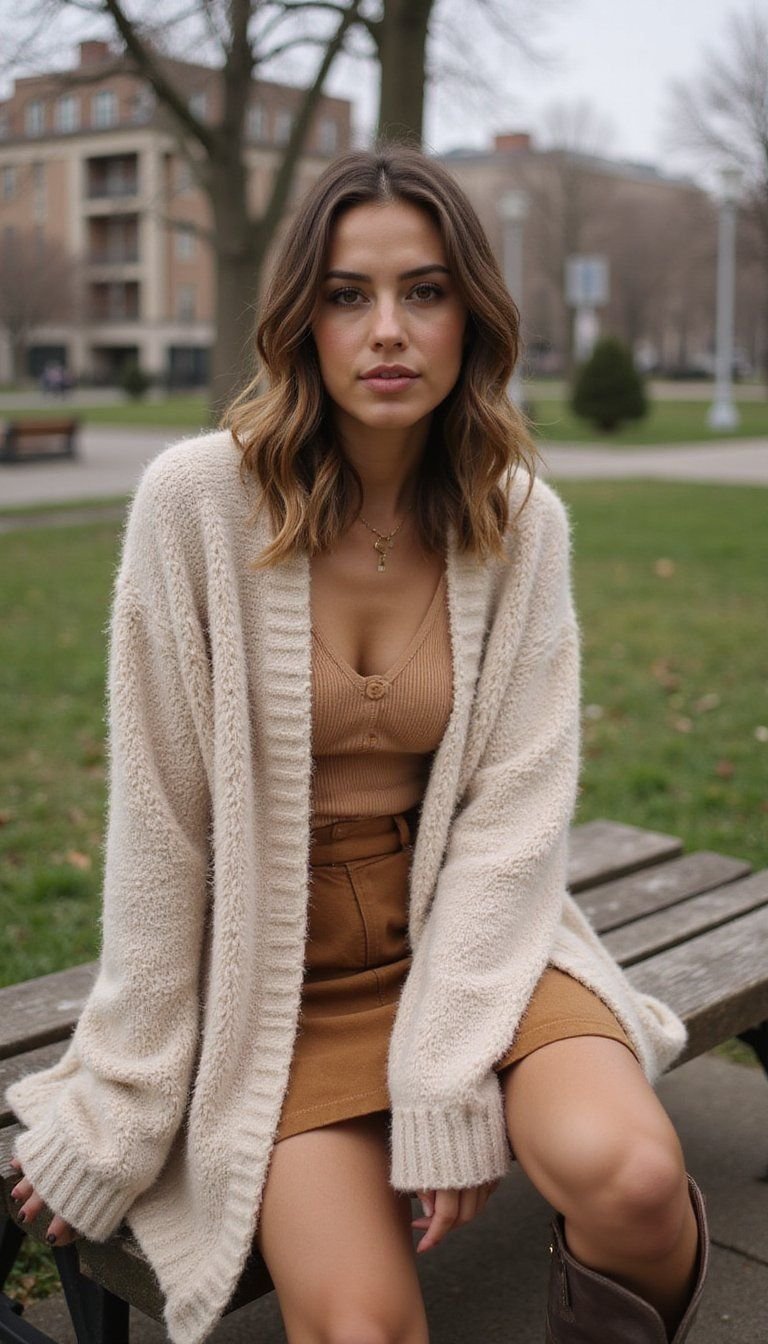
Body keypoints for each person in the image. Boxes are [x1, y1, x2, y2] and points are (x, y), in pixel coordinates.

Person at [6, 145, 708, 1344]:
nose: (388, 329)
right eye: (348, 294)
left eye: (425, 292)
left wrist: (443, 1073)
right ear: (302, 320)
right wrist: (121, 1104)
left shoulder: (520, 521)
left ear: (471, 316)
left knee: (632, 1180)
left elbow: (515, 812)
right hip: (284, 974)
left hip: (476, 931)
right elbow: (160, 830)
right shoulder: (194, 506)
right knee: (364, 1331)